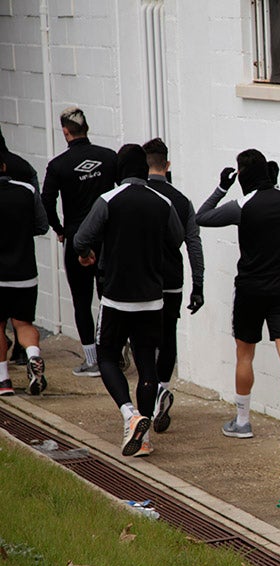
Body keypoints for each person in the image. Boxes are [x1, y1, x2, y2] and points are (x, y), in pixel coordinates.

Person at [73, 144, 183, 457]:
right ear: (145, 170)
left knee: (107, 357)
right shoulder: (163, 201)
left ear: (120, 171)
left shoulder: (108, 200)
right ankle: (145, 441)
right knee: (147, 363)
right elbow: (175, 240)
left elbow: (81, 240)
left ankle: (129, 415)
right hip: (152, 299)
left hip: (116, 298)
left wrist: (87, 255)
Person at [196, 149, 280, 451]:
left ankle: (242, 421)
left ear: (242, 175)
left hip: (250, 291)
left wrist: (221, 187)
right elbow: (276, 193)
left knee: (245, 356)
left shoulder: (242, 205)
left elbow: (201, 217)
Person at [41, 107, 117, 377]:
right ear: (87, 128)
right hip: (108, 237)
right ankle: (113, 355)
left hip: (77, 237)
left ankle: (92, 360)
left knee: (82, 300)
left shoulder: (59, 165)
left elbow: (46, 202)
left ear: (65, 132)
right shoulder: (108, 158)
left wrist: (59, 229)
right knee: (109, 297)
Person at [142, 138, 205, 434]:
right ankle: (161, 391)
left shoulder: (134, 195)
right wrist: (199, 285)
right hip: (172, 281)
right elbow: (193, 244)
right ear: (168, 165)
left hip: (142, 282)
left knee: (143, 338)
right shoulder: (182, 200)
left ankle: (148, 392)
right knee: (168, 336)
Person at [0, 155, 50, 396]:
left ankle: (3, 381)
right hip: (25, 272)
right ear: (4, 167)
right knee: (23, 324)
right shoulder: (27, 190)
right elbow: (42, 226)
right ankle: (33, 356)